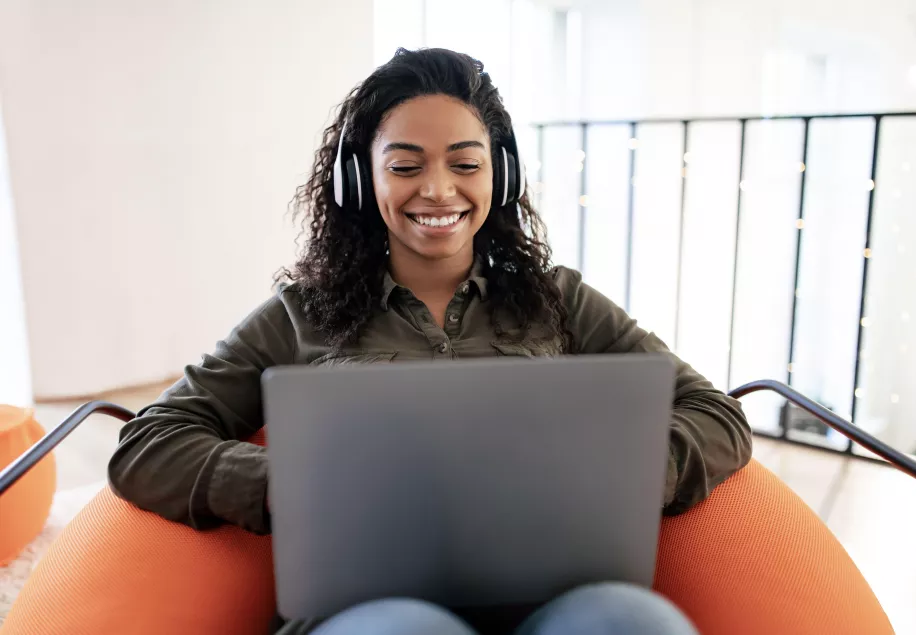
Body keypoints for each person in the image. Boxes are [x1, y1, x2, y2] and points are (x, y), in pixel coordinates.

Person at [108, 48, 751, 635]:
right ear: (362, 182)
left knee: (635, 623)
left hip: (550, 599)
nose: (439, 190)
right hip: (367, 606)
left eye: (465, 164)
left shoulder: (563, 299)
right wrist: (286, 482)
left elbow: (715, 412)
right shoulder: (296, 315)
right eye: (406, 166)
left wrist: (632, 472)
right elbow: (147, 442)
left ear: (498, 173)